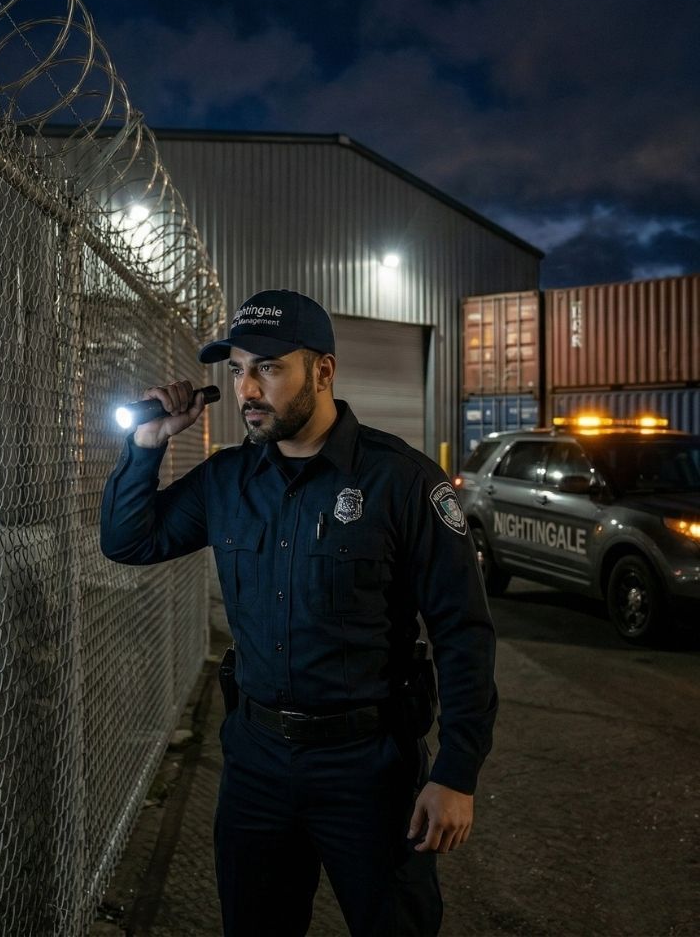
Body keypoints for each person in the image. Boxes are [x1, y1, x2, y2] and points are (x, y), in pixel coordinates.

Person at [100, 289, 497, 936]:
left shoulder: (399, 480)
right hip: (257, 765)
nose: (248, 389)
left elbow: (463, 634)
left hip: (368, 770)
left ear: (323, 371)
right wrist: (146, 444)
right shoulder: (227, 482)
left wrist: (457, 772)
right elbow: (128, 541)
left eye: (269, 368)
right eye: (237, 371)